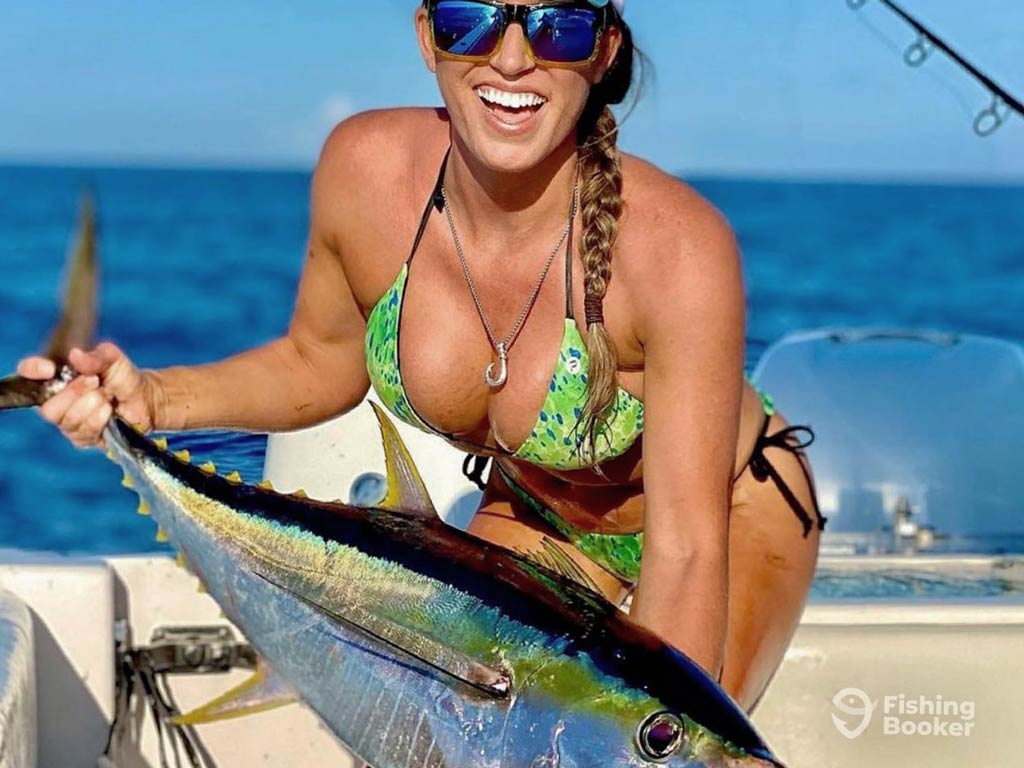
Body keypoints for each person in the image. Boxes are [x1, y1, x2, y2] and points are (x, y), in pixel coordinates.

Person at [19, 0, 825, 713]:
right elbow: (318, 362)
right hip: (536, 510)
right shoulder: (365, 171)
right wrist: (151, 399)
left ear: (603, 48)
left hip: (727, 514)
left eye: (558, 26)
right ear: (427, 36)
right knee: (449, 729)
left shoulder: (680, 248)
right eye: (471, 20)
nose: (513, 59)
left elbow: (685, 551)